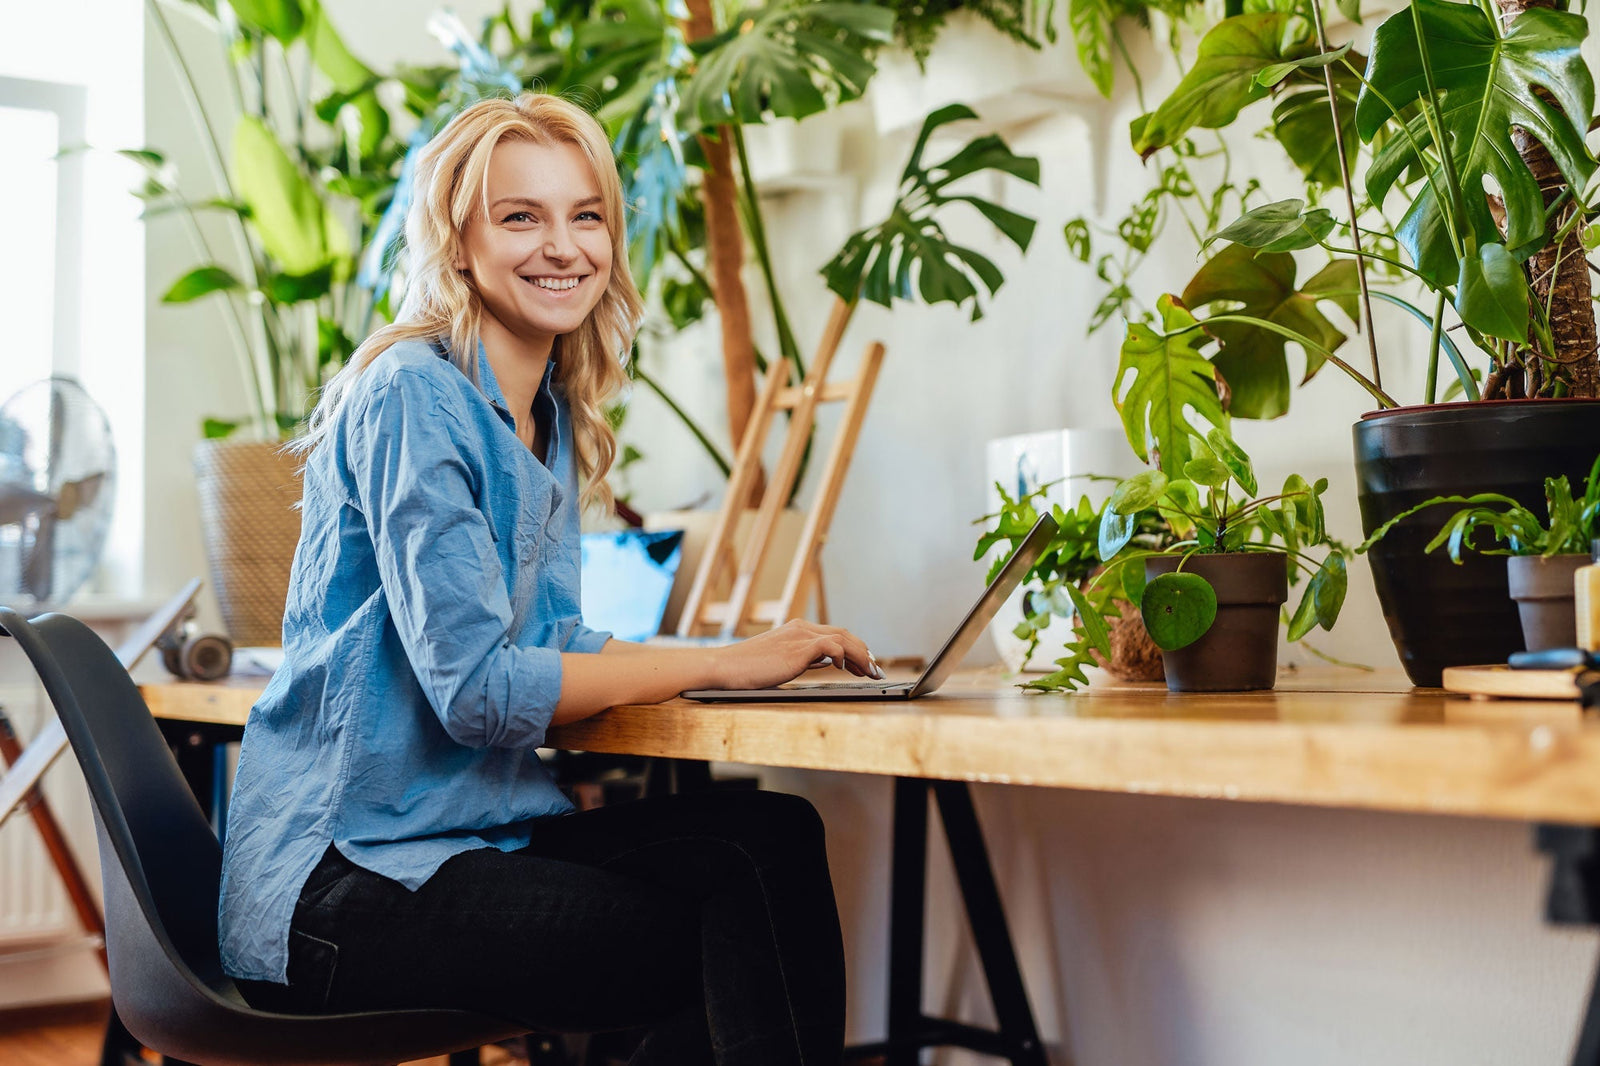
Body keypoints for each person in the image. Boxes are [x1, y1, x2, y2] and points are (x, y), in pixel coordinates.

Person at [218, 92, 880, 1066]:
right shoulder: (412, 392)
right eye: (519, 216)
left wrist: (745, 659)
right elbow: (481, 691)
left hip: (464, 838)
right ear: (457, 242)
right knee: (724, 942)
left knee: (768, 840)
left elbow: (554, 643)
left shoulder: (549, 416)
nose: (561, 246)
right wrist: (734, 657)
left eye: (587, 215)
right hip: (342, 880)